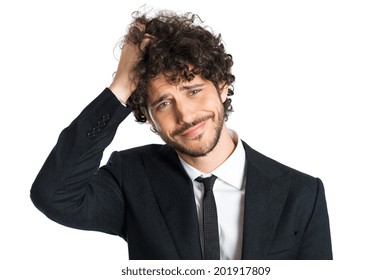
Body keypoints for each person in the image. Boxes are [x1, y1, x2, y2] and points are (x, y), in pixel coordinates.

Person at [30, 9, 332, 260]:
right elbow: (54, 196)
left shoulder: (302, 194)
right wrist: (121, 86)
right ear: (148, 116)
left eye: (194, 90)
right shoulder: (131, 178)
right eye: (163, 103)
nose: (185, 115)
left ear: (223, 85)